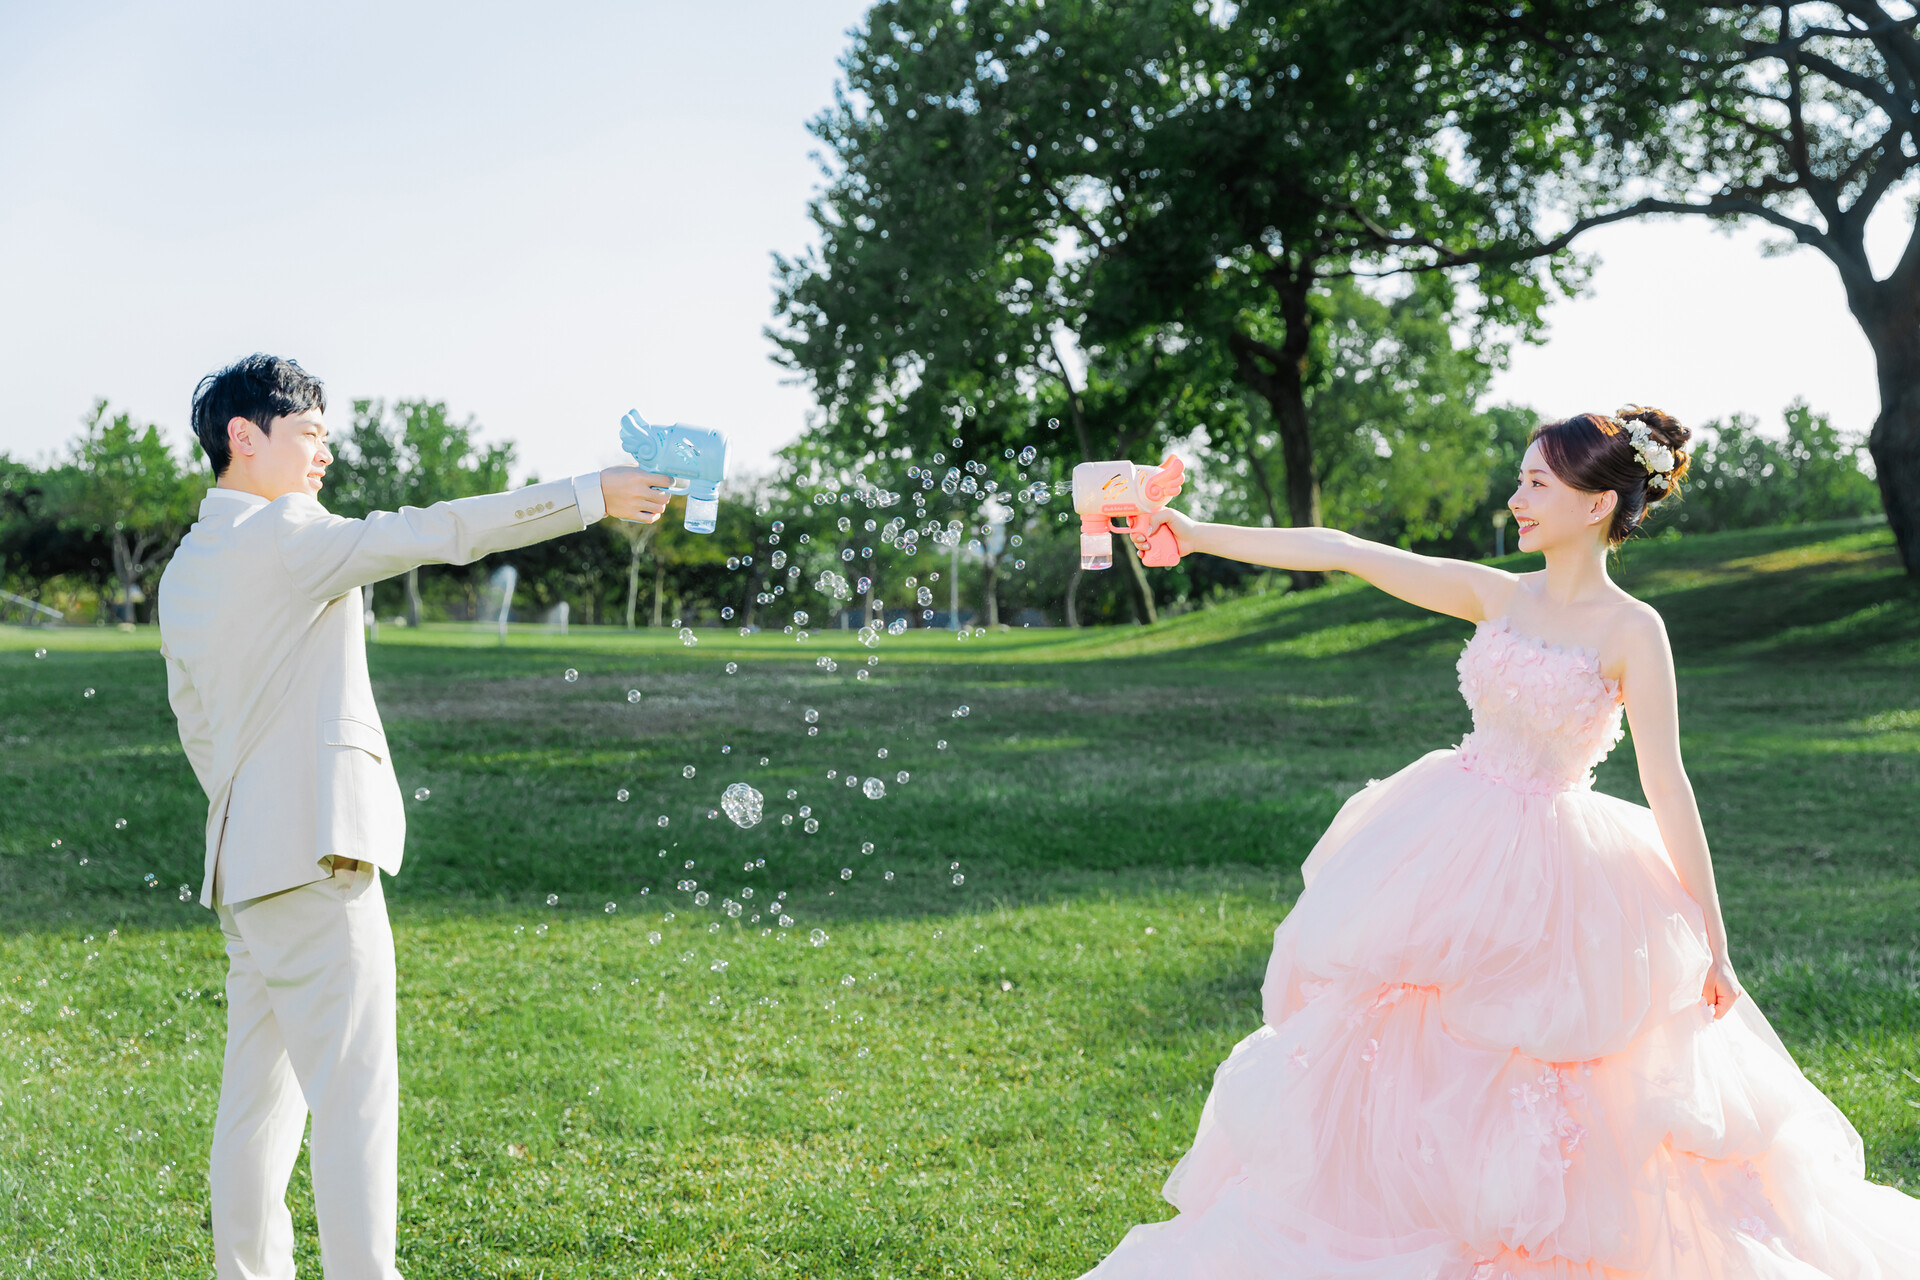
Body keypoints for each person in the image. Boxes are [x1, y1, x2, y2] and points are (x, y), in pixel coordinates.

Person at [1083, 407, 1920, 1278]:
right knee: (1397, 1039)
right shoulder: (1499, 596)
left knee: (1549, 1058)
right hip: (1450, 842)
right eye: (1521, 480)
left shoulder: (1634, 630)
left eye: (1537, 484)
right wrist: (1193, 531)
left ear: (1596, 504)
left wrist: (1715, 941)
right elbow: (1344, 549)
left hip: (1560, 870)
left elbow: (1668, 783)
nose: (1516, 499)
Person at [156, 353, 672, 1280]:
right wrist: (590, 494)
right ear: (244, 436)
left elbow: (197, 725)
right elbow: (439, 531)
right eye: (309, 433)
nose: (325, 452)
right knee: (352, 1100)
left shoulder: (186, 567)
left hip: (246, 870)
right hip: (317, 861)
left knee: (257, 1109)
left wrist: (254, 814)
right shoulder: (287, 533)